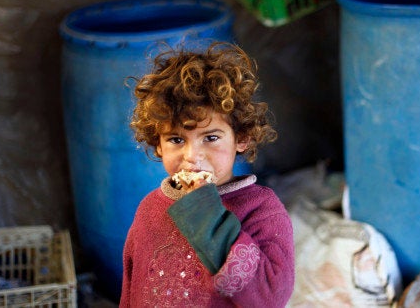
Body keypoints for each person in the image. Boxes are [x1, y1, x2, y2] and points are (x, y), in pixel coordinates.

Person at [120, 42, 295, 307]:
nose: (192, 156)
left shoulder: (262, 210)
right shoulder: (149, 210)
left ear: (242, 138)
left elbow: (271, 296)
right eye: (176, 139)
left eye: (211, 137)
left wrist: (205, 214)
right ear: (158, 143)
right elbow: (131, 290)